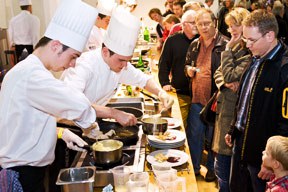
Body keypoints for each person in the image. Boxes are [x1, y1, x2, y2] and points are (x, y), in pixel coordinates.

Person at [0, 0, 99, 191]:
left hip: (29, 169)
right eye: (73, 56)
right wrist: (92, 123)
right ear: (55, 46)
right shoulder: (32, 75)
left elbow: (23, 123)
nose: (73, 64)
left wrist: (59, 133)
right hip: (22, 174)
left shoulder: (30, 70)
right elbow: (78, 104)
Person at [61, 7, 174, 128]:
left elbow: (144, 80)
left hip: (90, 121)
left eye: (127, 60)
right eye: (121, 60)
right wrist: (113, 113)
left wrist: (161, 93)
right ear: (105, 52)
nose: (125, 65)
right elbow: (73, 104)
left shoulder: (120, 65)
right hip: (66, 124)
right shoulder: (84, 66)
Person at [225, 10, 288, 192]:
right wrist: (234, 127)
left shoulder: (284, 69)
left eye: (251, 40)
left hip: (264, 156)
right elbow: (244, 97)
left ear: (270, 35)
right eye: (245, 39)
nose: (247, 45)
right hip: (241, 142)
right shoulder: (255, 58)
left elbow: (285, 125)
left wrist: (272, 162)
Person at [184, 8, 229, 182]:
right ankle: (193, 168)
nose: (203, 27)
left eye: (206, 23)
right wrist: (188, 70)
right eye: (199, 24)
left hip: (214, 101)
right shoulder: (194, 44)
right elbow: (187, 64)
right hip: (196, 98)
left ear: (215, 23)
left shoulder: (225, 44)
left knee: (213, 139)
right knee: (194, 136)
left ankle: (211, 169)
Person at [212, 7, 250, 192]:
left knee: (226, 172)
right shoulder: (235, 45)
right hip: (224, 110)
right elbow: (219, 73)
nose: (232, 29)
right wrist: (225, 83)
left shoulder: (248, 51)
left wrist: (226, 51)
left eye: (236, 24)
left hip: (233, 113)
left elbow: (228, 73)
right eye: (229, 26)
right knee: (220, 169)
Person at [158, 10, 198, 129]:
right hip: (181, 92)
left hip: (199, 94)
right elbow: (164, 63)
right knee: (181, 126)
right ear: (184, 24)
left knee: (196, 130)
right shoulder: (173, 40)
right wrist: (165, 83)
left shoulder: (202, 40)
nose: (197, 25)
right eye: (193, 22)